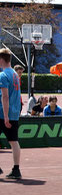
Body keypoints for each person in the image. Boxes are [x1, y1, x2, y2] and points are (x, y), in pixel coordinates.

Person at [0, 49, 23, 180]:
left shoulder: (3, 75)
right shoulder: (15, 74)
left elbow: (5, 97)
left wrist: (6, 116)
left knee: (13, 141)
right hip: (14, 112)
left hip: (3, 114)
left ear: (1, 59)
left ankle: (15, 170)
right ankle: (16, 169)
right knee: (14, 141)